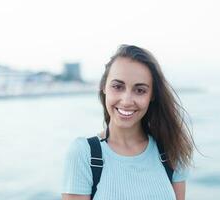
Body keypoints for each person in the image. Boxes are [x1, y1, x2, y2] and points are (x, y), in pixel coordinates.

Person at [62, 44, 194, 200]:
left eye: (140, 90)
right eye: (118, 86)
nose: (126, 101)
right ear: (103, 87)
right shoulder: (84, 153)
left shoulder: (171, 149)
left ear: (152, 95)